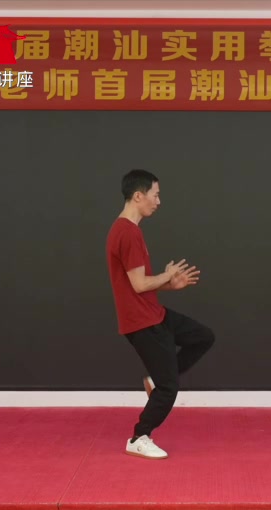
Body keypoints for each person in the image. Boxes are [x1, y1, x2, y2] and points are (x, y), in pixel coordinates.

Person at [105, 169, 216, 459]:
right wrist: (166, 275)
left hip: (153, 313)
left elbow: (139, 283)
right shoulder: (127, 232)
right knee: (169, 388)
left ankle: (155, 381)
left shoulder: (128, 230)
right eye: (155, 195)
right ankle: (139, 437)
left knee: (203, 337)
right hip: (141, 322)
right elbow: (139, 284)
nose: (158, 201)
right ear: (138, 196)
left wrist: (170, 284)